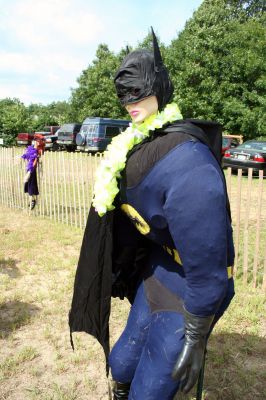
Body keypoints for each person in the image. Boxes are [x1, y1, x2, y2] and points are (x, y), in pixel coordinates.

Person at [69, 28, 235, 400]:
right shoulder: (137, 140)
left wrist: (195, 336)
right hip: (159, 271)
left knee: (151, 390)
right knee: (123, 364)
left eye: (138, 91)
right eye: (123, 94)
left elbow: (209, 267)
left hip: (194, 287)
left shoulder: (188, 164)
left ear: (159, 86)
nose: (130, 101)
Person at [21, 134, 45, 210]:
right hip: (29, 167)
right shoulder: (31, 148)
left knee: (31, 185)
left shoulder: (38, 150)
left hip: (32, 169)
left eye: (37, 141)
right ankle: (31, 200)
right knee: (28, 184)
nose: (35, 142)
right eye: (35, 141)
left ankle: (33, 200)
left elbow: (35, 161)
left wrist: (30, 171)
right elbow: (27, 156)